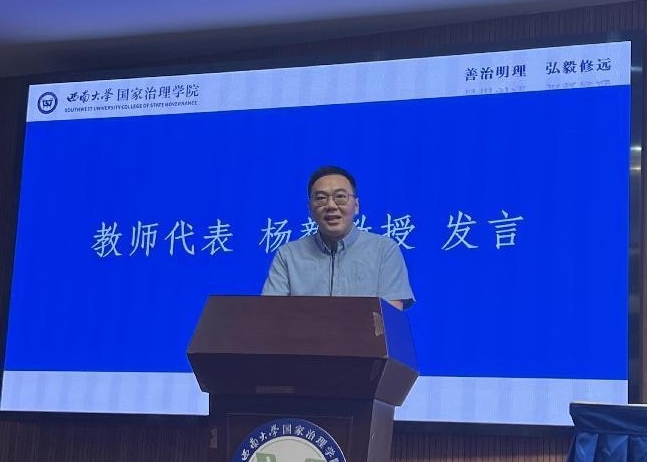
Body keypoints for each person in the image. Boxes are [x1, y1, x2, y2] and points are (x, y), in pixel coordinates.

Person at [262, 165, 414, 309]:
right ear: (310, 209)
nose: (331, 205)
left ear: (356, 206)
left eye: (340, 196)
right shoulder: (288, 255)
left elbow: (390, 317)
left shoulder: (384, 250)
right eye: (321, 198)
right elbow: (270, 314)